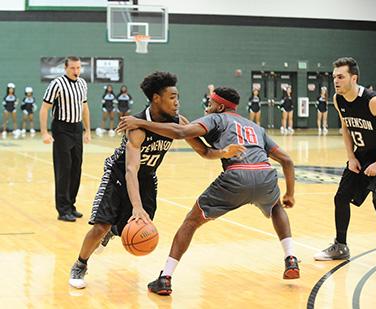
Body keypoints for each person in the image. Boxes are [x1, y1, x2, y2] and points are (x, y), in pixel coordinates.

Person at [68, 72, 245, 289]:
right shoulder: (137, 128)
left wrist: (224, 152)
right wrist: (136, 207)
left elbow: (205, 152)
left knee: (136, 225)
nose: (177, 101)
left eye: (177, 96)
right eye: (172, 97)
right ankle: (80, 264)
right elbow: (130, 170)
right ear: (156, 98)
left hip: (148, 177)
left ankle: (114, 230)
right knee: (100, 225)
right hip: (118, 174)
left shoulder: (180, 123)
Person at [117, 86, 300, 295]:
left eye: (210, 104)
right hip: (265, 174)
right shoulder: (255, 127)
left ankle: (165, 277)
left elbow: (180, 132)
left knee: (191, 222)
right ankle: (291, 258)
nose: (207, 107)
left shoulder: (216, 119)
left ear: (220, 106)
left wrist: (140, 122)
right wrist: (290, 194)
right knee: (276, 206)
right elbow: (286, 160)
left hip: (237, 175)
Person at [314, 57, 376, 281]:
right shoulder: (338, 99)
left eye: (340, 77)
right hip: (361, 155)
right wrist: (351, 157)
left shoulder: (373, 101)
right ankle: (340, 246)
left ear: (354, 78)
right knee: (341, 197)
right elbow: (345, 127)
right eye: (334, 77)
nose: (336, 81)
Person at [40, 56, 91, 222]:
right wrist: (44, 132)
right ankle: (62, 210)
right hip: (61, 129)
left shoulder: (83, 84)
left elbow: (84, 107)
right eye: (72, 68)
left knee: (76, 169)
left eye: (78, 68)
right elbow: (44, 108)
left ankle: (71, 206)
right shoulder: (57, 84)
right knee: (64, 169)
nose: (76, 71)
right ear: (65, 68)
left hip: (76, 128)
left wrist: (87, 130)